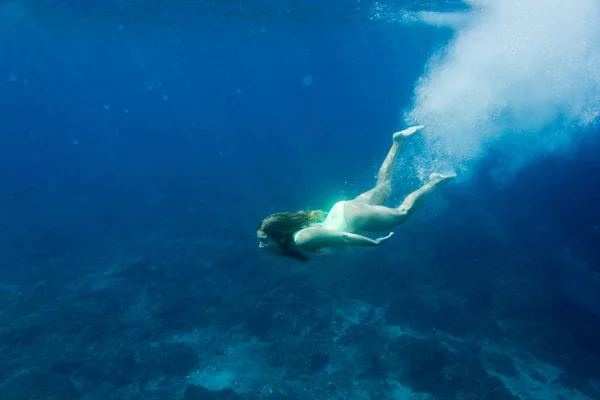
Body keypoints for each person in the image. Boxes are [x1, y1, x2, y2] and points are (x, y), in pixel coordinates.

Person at [257, 126, 456, 262]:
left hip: (353, 218)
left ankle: (435, 181)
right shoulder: (296, 232)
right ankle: (397, 142)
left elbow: (344, 238)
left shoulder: (302, 239)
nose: (261, 246)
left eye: (264, 240)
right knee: (384, 186)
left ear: (278, 235)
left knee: (402, 214)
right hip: (342, 208)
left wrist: (373, 244)